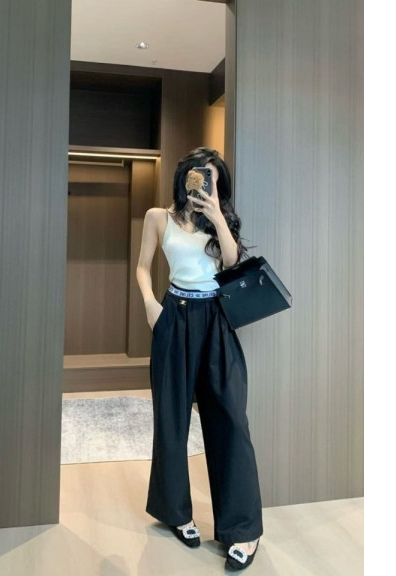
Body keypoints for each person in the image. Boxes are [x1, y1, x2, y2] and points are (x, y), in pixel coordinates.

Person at [136, 147, 263, 570]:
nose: (204, 182)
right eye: (197, 174)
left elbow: (231, 263)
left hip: (216, 320)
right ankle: (176, 513)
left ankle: (243, 529)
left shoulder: (220, 220)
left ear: (218, 183)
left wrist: (218, 217)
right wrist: (151, 305)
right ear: (184, 176)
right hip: (175, 315)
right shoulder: (159, 217)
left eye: (212, 177)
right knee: (171, 418)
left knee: (231, 419)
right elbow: (142, 267)